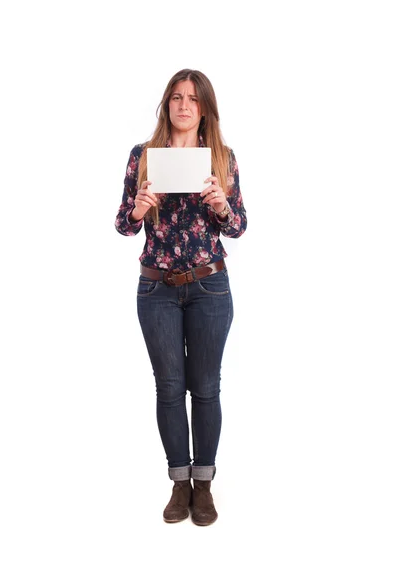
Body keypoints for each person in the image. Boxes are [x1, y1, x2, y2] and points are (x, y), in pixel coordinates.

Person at [115, 69, 247, 526]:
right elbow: (122, 224)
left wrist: (221, 206)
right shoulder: (143, 157)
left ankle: (204, 486)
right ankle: (179, 482)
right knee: (170, 388)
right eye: (175, 97)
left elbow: (239, 226)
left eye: (193, 98)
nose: (184, 105)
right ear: (166, 106)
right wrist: (138, 209)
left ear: (204, 107)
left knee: (205, 387)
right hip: (156, 288)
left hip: (210, 285)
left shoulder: (223, 159)